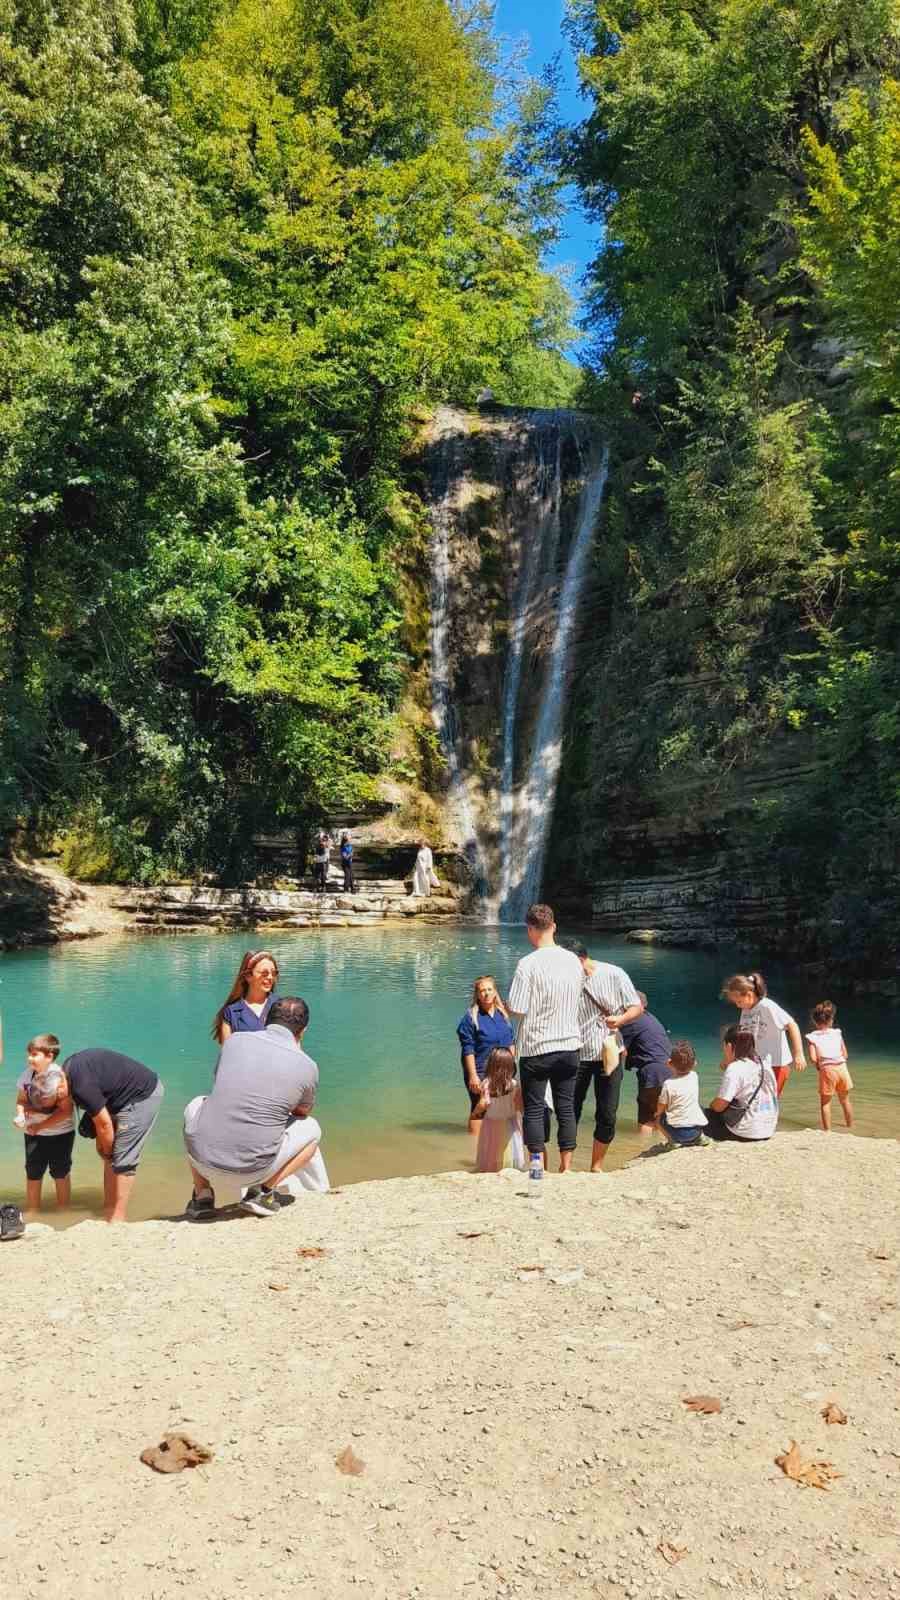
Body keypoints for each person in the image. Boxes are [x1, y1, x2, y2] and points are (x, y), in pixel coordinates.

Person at [183, 996, 329, 1218]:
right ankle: (263, 1192)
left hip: (202, 1162)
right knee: (312, 1128)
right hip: (253, 1172)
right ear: (303, 1030)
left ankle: (202, 1195)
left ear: (267, 1020)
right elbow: (302, 1113)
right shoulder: (307, 1065)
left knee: (195, 1104)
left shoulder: (234, 1041)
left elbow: (220, 1085)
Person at [507, 903, 584, 1173]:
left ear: (530, 930)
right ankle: (566, 1167)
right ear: (554, 927)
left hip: (537, 1047)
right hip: (570, 1045)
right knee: (566, 1106)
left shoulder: (527, 964)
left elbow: (517, 1008)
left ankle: (537, 1167)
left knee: (535, 1108)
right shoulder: (574, 961)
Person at [61, 1048, 164, 1221]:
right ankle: (108, 1208)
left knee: (122, 1158)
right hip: (116, 1097)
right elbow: (101, 1124)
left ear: (60, 1085)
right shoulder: (66, 1071)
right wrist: (104, 1147)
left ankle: (118, 1218)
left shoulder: (81, 1087)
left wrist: (108, 1151)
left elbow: (104, 1125)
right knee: (108, 1153)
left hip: (142, 1095)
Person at [570, 941, 642, 1171]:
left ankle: (596, 1166)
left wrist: (620, 1020)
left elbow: (636, 1006)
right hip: (577, 1052)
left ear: (581, 960)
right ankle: (566, 1166)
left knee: (608, 1112)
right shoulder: (567, 979)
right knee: (570, 1110)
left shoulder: (614, 973)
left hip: (610, 1051)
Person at [13, 1032, 75, 1211]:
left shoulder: (59, 1077)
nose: (29, 1058)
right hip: (33, 1133)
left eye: (34, 1054)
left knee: (60, 1172)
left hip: (60, 1133)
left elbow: (65, 1112)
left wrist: (39, 1126)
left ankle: (63, 1209)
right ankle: (33, 1211)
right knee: (33, 1172)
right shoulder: (26, 1075)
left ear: (49, 1056)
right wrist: (20, 1115)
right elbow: (21, 1101)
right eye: (29, 1053)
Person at [720, 972, 805, 1096]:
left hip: (776, 1064)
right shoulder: (746, 1009)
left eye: (739, 1001)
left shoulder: (767, 1006)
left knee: (768, 1103)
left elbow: (792, 1025)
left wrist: (799, 1054)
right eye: (735, 1003)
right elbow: (743, 1037)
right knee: (755, 1101)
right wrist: (729, 1058)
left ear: (749, 995)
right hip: (757, 1064)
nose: (738, 1006)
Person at [456, 975, 515, 1134]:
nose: (486, 993)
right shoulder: (471, 1017)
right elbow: (468, 1049)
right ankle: (473, 1144)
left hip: (504, 1071)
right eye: (482, 991)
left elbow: (511, 1043)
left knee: (500, 1111)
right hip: (481, 1070)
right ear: (477, 994)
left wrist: (513, 1070)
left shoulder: (503, 1015)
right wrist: (473, 1076)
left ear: (495, 992)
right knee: (480, 1108)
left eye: (489, 989)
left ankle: (492, 1145)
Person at [704, 1026, 778, 1143]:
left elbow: (719, 1106)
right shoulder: (764, 1064)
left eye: (724, 1045)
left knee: (702, 1114)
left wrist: (711, 1105)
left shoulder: (735, 1068)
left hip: (746, 1132)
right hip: (769, 1128)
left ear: (729, 1046)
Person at [619, 992, 674, 1135]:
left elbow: (621, 1050)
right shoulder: (650, 1018)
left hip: (653, 1071)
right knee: (660, 1115)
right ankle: (661, 1147)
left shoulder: (632, 1021)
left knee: (646, 1117)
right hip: (669, 1069)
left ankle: (642, 1149)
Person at [473, 1047, 525, 1173]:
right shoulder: (515, 1084)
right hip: (510, 1124)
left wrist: (475, 1113)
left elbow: (484, 1103)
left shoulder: (486, 1084)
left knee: (491, 1152)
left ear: (490, 1065)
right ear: (511, 1067)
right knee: (509, 1153)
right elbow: (519, 1106)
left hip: (491, 1124)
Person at [212, 950, 279, 1045]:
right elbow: (227, 1054)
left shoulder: (283, 1007)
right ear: (248, 976)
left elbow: (295, 1050)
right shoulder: (231, 1013)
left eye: (274, 973)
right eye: (264, 973)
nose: (270, 977)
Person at [806, 1001, 854, 1132]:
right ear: (831, 1019)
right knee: (845, 1100)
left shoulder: (812, 1037)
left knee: (825, 1103)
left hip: (827, 1070)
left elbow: (813, 1058)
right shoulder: (837, 1033)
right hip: (842, 1068)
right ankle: (850, 1126)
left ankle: (827, 1131)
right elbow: (845, 1054)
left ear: (815, 1022)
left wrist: (818, 1066)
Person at [655, 1041, 708, 1148]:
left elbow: (661, 1105)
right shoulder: (694, 1076)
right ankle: (699, 1137)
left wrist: (658, 1113)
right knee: (699, 1107)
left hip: (677, 1133)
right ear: (695, 1064)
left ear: (670, 1064)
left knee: (658, 1119)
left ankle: (672, 1141)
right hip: (695, 1131)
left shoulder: (668, 1084)